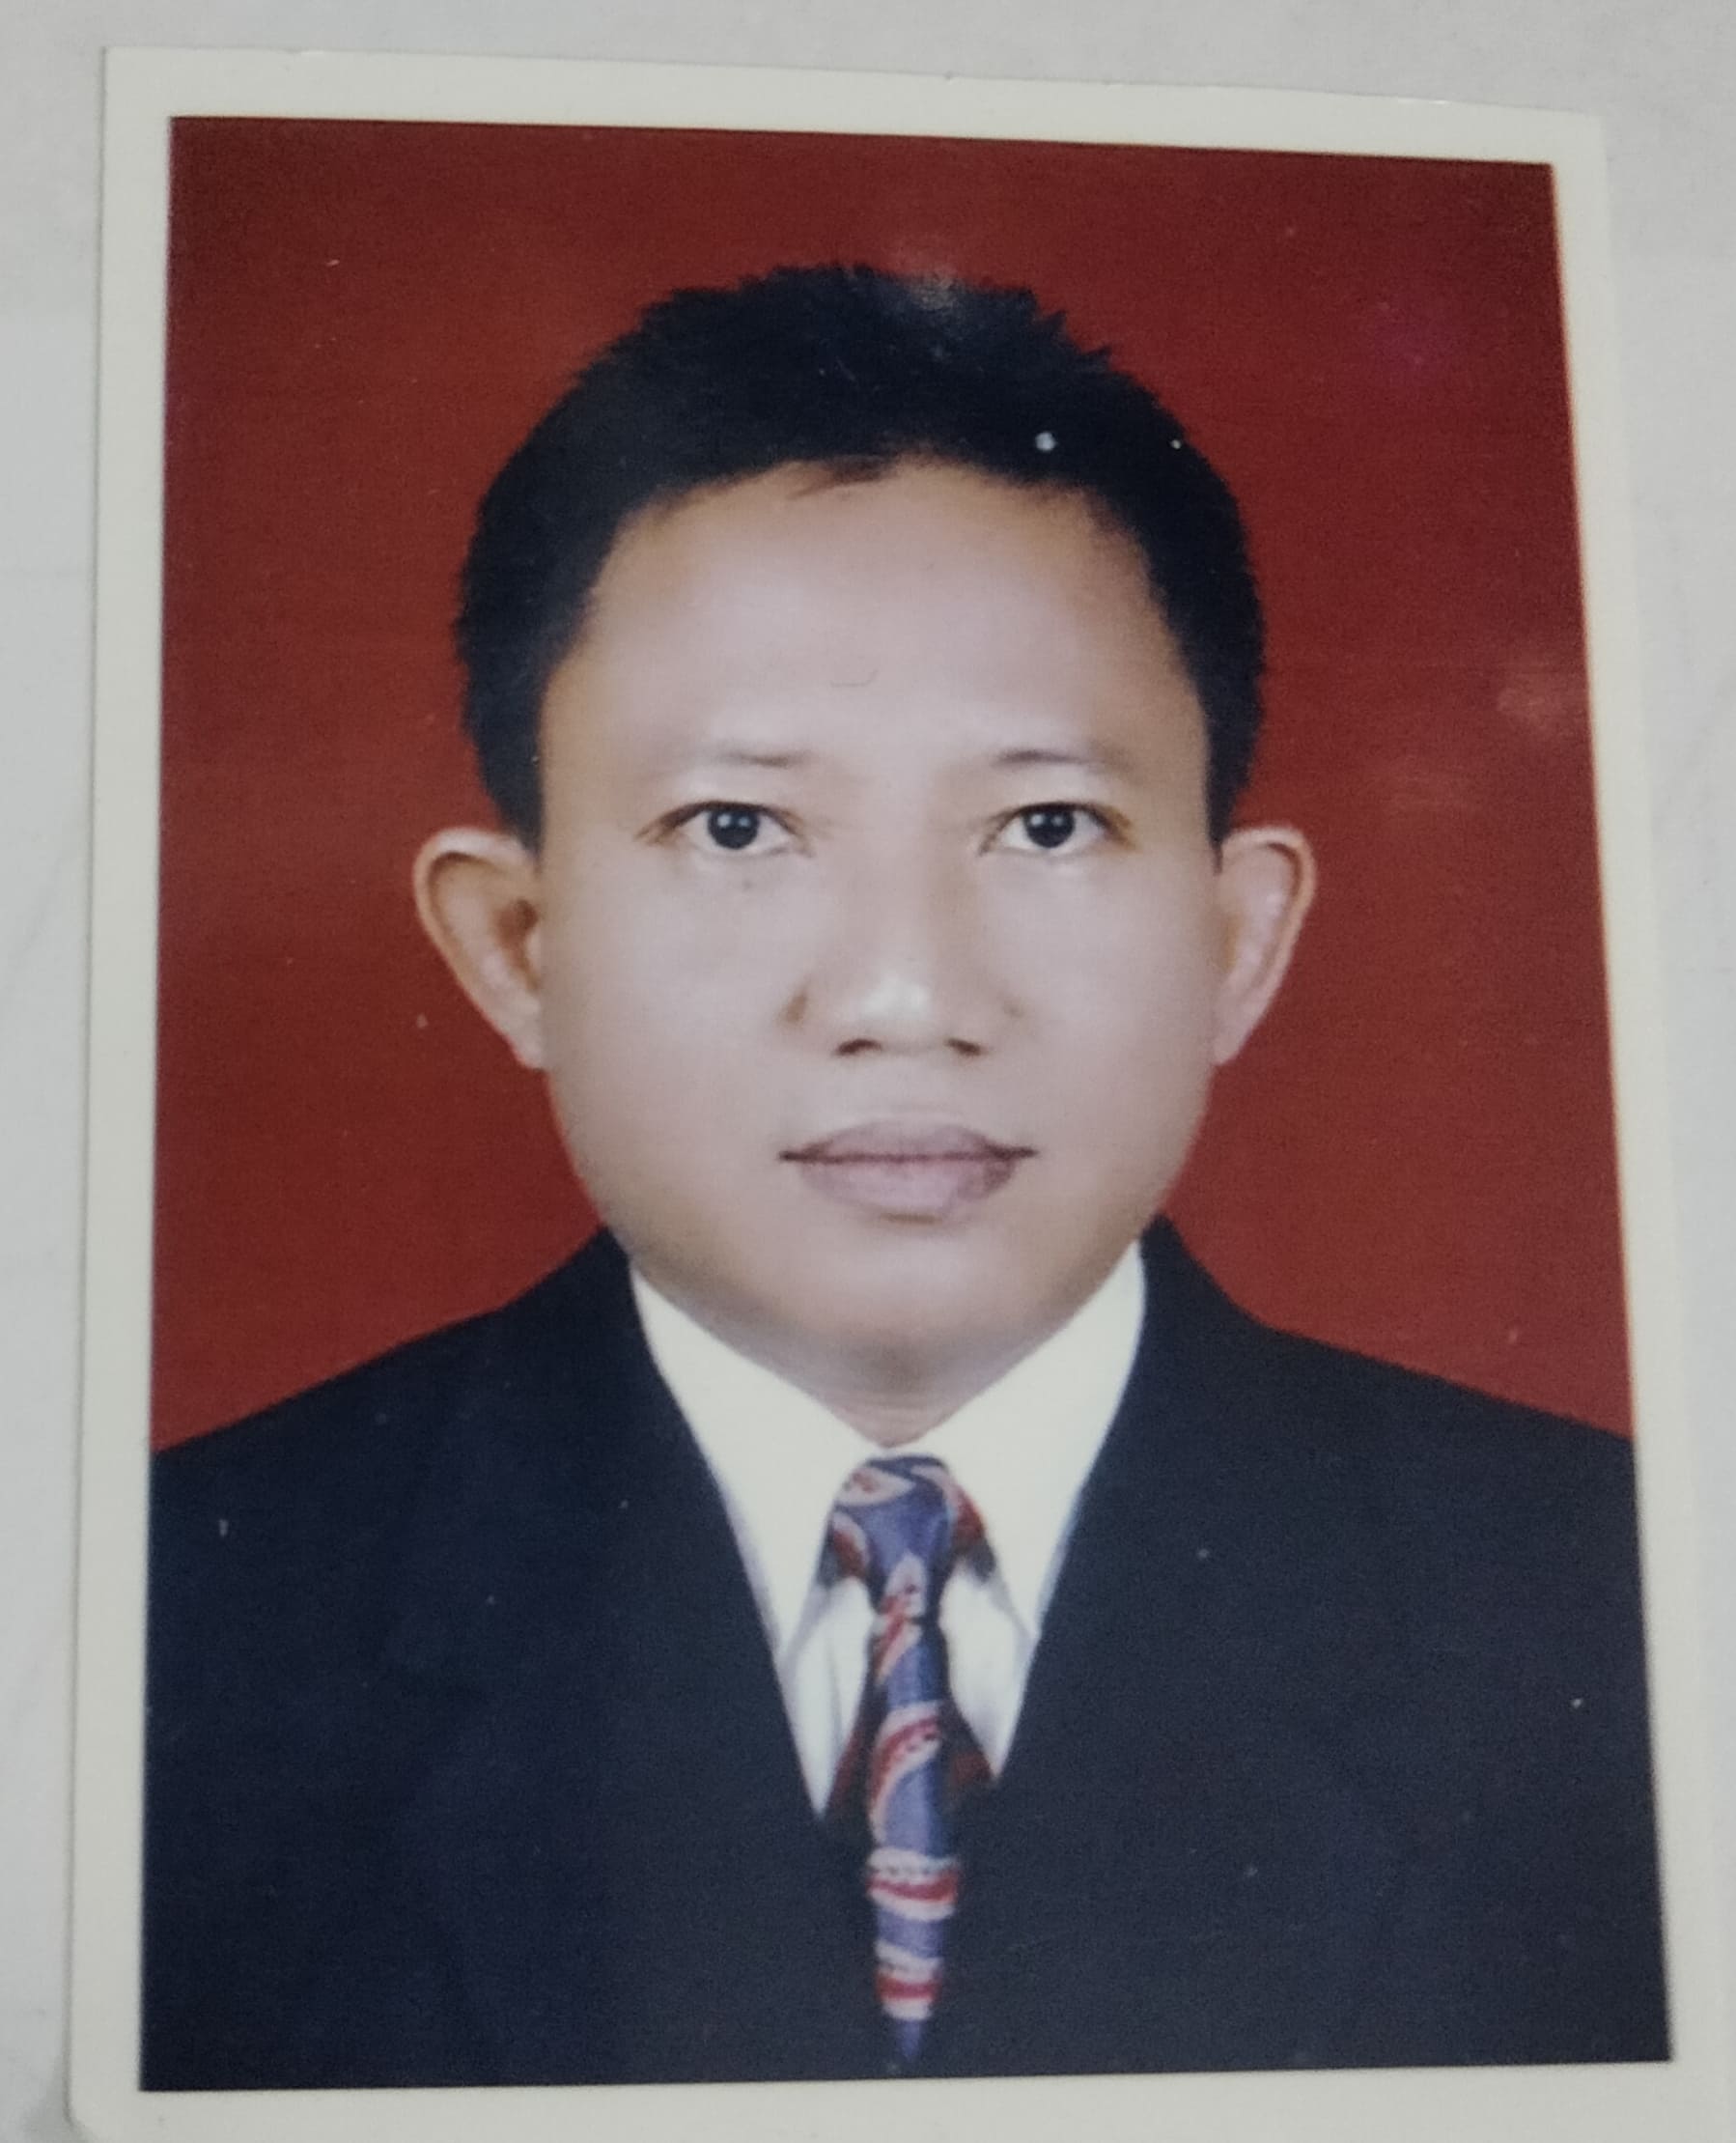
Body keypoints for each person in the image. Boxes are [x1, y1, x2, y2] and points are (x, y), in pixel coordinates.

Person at [142, 265, 1666, 2090]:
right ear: (516, 944)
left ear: (1236, 938)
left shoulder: (1628, 1603)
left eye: (1045, 824)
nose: (903, 996)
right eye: (737, 827)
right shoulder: (156, 1632)